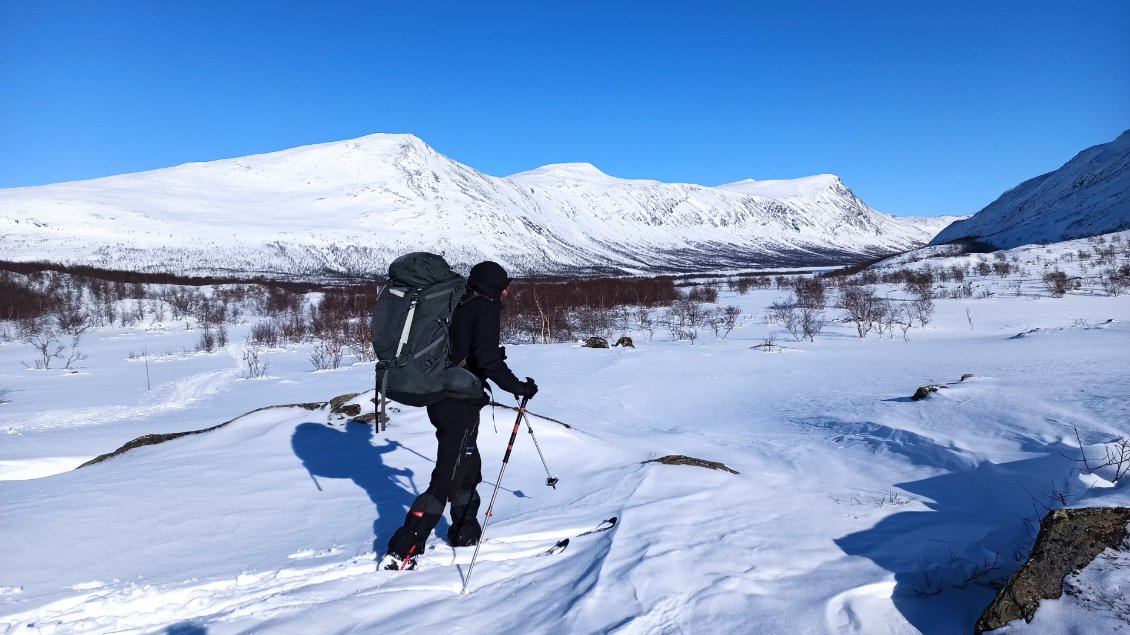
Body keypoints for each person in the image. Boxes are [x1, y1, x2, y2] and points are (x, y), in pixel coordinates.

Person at [382, 261, 538, 570]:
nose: (506, 291)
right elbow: (488, 359)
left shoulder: (459, 299)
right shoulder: (486, 308)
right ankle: (404, 548)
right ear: (495, 287)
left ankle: (465, 533)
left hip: (442, 396)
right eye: (504, 286)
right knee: (446, 478)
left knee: (468, 468)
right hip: (457, 402)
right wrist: (518, 387)